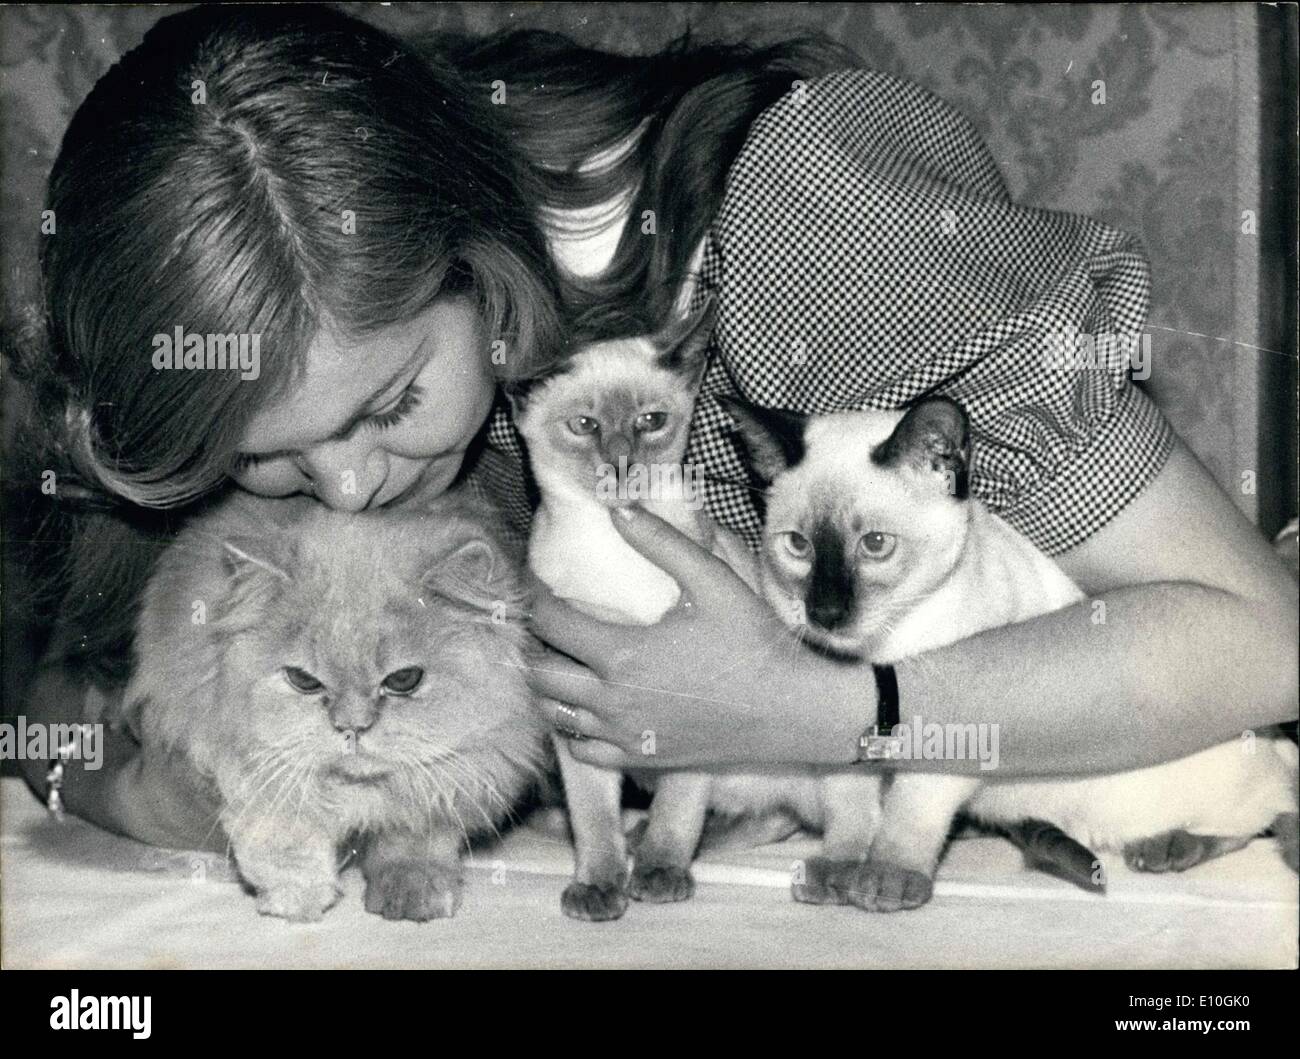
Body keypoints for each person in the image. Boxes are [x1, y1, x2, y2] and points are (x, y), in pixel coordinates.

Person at [11, 5, 1296, 853]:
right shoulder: (288, 341)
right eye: (268, 455)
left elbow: (1263, 642)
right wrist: (132, 783)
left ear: (489, 278)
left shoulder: (814, 229)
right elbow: (55, 685)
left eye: (392, 403)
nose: (346, 490)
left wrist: (813, 705)